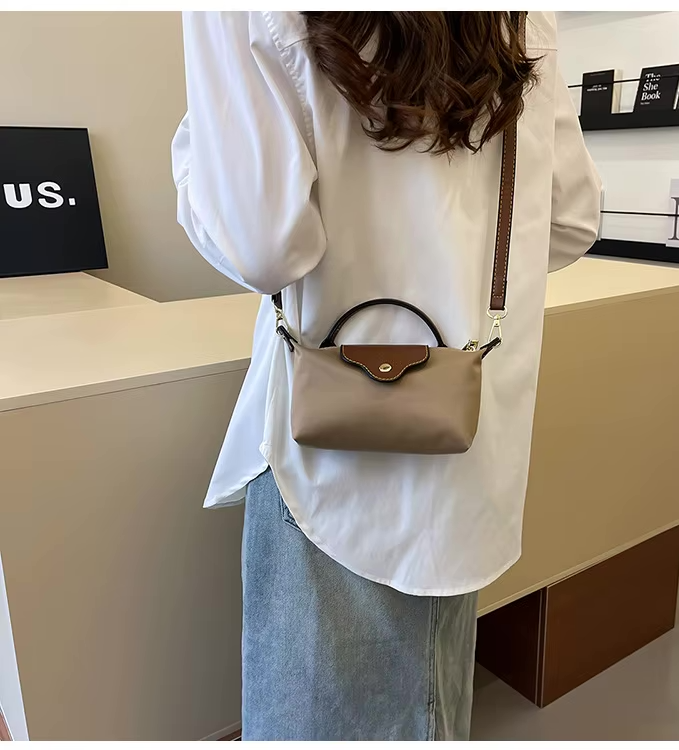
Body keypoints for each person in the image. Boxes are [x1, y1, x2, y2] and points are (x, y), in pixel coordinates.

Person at [172, 11, 600, 741]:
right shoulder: (520, 16)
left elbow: (264, 245)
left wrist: (192, 157)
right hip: (462, 444)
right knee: (433, 711)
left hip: (325, 463)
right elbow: (570, 218)